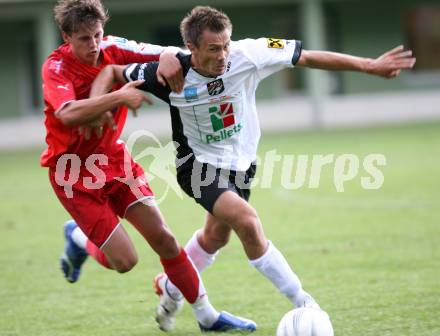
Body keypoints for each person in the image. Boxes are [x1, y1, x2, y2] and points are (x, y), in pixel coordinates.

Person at [90, 5, 416, 331]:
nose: (223, 55)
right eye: (214, 49)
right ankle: (304, 301)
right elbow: (114, 71)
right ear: (192, 48)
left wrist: (370, 66)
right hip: (197, 167)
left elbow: (306, 57)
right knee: (247, 221)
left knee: (215, 237)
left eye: (226, 45)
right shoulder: (169, 75)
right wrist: (101, 106)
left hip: (241, 166)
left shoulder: (250, 55)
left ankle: (171, 285)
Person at [41, 0, 257, 333]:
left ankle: (207, 316)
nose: (95, 45)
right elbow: (67, 113)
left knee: (166, 240)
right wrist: (117, 97)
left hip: (114, 161)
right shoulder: (56, 67)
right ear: (66, 36)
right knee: (125, 262)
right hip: (73, 172)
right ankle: (79, 238)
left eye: (98, 35)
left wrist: (169, 57)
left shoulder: (114, 48)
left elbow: (172, 53)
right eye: (84, 39)